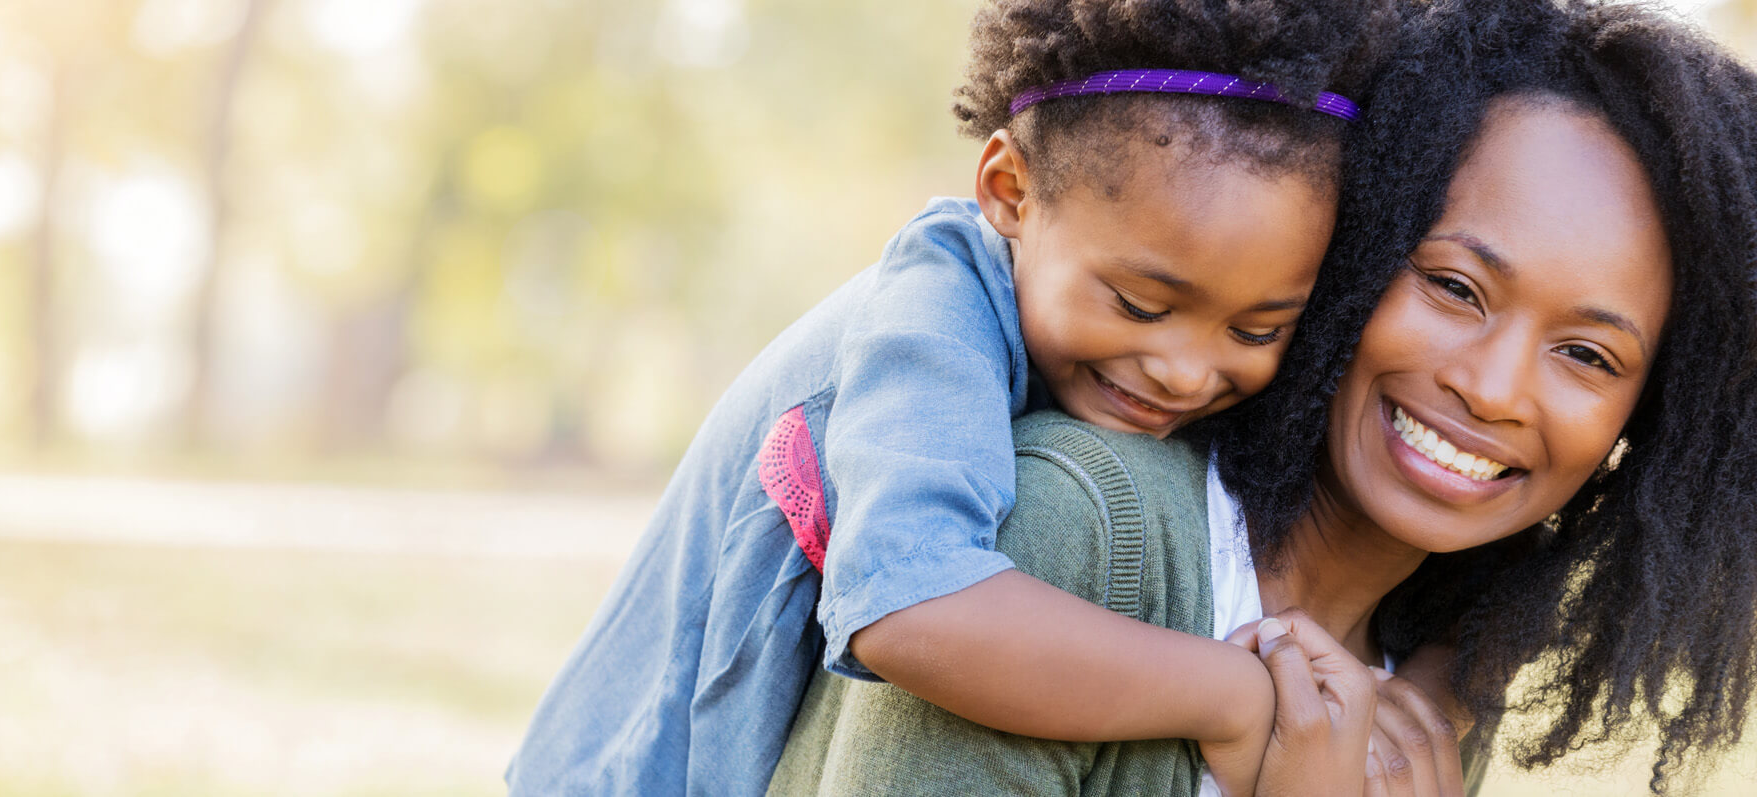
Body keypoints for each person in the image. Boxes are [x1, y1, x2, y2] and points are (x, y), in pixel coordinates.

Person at [766, 0, 1757, 794]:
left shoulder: (1433, 701)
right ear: (1352, 245)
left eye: (1587, 353)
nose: (1491, 388)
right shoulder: (1076, 528)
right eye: (1454, 287)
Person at [506, 1, 1402, 794]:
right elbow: (908, 604)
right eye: (1140, 305)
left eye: (1255, 331)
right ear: (1009, 192)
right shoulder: (931, 313)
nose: (1184, 369)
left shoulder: (1107, 351)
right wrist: (1234, 695)